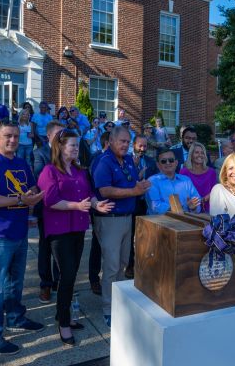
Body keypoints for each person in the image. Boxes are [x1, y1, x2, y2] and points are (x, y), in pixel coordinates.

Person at [0, 121, 45, 355]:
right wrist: (20, 200)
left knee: (15, 282)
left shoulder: (22, 163)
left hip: (18, 231)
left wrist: (34, 196)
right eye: (8, 136)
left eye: (16, 136)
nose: (13, 140)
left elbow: (31, 189)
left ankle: (15, 318)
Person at [38, 129, 114, 346]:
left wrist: (95, 203)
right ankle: (63, 321)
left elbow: (88, 195)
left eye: (77, 144)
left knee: (70, 275)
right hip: (59, 230)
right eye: (72, 145)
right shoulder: (49, 171)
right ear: (60, 147)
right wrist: (76, 205)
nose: (76, 148)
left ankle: (62, 314)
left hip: (78, 228)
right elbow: (50, 201)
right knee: (67, 275)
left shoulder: (80, 171)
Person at [93, 126, 151, 327]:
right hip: (110, 220)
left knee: (124, 263)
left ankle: (119, 302)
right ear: (111, 141)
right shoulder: (104, 161)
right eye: (122, 141)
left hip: (127, 218)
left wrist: (140, 186)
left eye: (128, 142)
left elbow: (132, 183)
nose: (125, 145)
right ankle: (108, 309)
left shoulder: (127, 160)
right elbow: (105, 190)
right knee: (111, 265)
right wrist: (135, 191)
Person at [33, 121, 64, 304]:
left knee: (61, 248)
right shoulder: (40, 153)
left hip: (66, 208)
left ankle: (59, 281)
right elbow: (40, 179)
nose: (62, 137)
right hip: (46, 208)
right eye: (58, 134)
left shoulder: (69, 153)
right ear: (48, 137)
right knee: (45, 248)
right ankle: (45, 283)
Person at [126, 135, 158, 278]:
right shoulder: (127, 160)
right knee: (130, 235)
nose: (143, 149)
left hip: (146, 204)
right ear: (134, 145)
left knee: (143, 236)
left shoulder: (151, 161)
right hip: (132, 203)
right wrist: (136, 175)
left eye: (145, 146)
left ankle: (142, 265)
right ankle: (129, 265)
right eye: (140, 146)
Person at [88, 131, 111, 295]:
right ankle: (94, 279)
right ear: (108, 143)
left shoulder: (122, 158)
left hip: (117, 211)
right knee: (97, 247)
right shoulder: (98, 159)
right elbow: (93, 184)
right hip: (100, 208)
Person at [146, 149, 201, 214]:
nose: (168, 163)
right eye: (164, 161)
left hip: (185, 221)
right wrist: (178, 208)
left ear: (176, 163)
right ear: (158, 165)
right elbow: (155, 206)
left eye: (171, 160)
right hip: (160, 222)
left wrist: (193, 207)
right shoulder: (152, 181)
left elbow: (197, 202)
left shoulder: (186, 180)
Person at [179, 142, 217, 213]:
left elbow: (214, 191)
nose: (200, 155)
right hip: (190, 209)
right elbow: (182, 194)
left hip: (208, 209)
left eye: (202, 153)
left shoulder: (211, 172)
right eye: (196, 152)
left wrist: (205, 199)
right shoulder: (184, 172)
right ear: (191, 155)